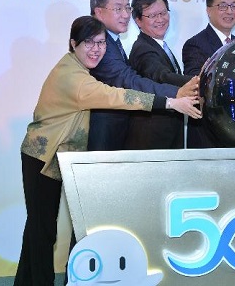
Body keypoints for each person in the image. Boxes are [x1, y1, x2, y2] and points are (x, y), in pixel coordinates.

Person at [14, 16, 201, 286]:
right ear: (73, 44)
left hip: (53, 156)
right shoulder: (74, 78)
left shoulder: (77, 68)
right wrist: (171, 103)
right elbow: (118, 96)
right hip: (41, 157)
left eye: (101, 43)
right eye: (88, 43)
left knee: (38, 230)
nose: (95, 49)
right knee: (42, 231)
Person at [87, 0, 199, 152]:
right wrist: (179, 91)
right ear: (99, 12)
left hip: (120, 135)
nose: (125, 15)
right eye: (118, 9)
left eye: (127, 8)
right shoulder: (101, 45)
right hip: (109, 137)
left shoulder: (112, 41)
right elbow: (129, 80)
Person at [125, 0, 194, 149]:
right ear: (138, 21)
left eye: (163, 13)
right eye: (152, 15)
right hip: (152, 137)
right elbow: (161, 76)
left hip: (166, 133)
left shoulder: (157, 44)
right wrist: (198, 80)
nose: (160, 19)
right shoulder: (144, 50)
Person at [182, 0, 235, 148]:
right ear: (209, 10)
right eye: (222, 6)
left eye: (234, 6)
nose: (229, 11)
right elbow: (196, 84)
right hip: (208, 134)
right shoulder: (195, 44)